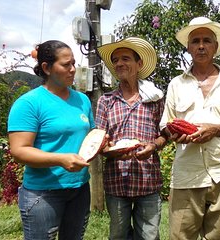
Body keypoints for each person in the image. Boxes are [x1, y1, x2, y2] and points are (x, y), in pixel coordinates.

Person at [159, 16, 220, 239]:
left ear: (216, 47)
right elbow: (165, 125)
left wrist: (215, 130)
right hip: (187, 173)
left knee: (219, 236)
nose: (201, 46)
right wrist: (175, 134)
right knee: (181, 235)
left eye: (207, 41)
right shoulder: (176, 84)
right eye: (196, 41)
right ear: (188, 48)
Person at [8, 40, 95, 240]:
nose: (73, 69)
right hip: (43, 193)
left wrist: (102, 142)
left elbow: (90, 135)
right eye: (66, 65)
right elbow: (19, 150)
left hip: (80, 189)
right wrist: (60, 159)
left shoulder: (82, 100)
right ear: (46, 68)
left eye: (74, 63)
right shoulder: (29, 103)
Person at [95, 37, 167, 240]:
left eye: (125, 58)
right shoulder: (106, 101)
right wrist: (109, 149)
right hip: (117, 181)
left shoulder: (154, 99)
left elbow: (165, 135)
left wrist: (153, 146)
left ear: (139, 64)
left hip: (148, 181)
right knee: (118, 235)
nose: (119, 63)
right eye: (115, 60)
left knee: (149, 236)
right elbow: (98, 140)